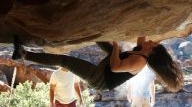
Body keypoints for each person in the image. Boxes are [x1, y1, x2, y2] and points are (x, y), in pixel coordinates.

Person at [12, 36, 183, 92]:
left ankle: (23, 54)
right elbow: (142, 36)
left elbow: (116, 66)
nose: (152, 41)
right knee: (97, 36)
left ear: (151, 51)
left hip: (101, 79)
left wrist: (116, 46)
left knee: (65, 61)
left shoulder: (140, 60)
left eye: (154, 44)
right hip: (109, 67)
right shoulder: (141, 49)